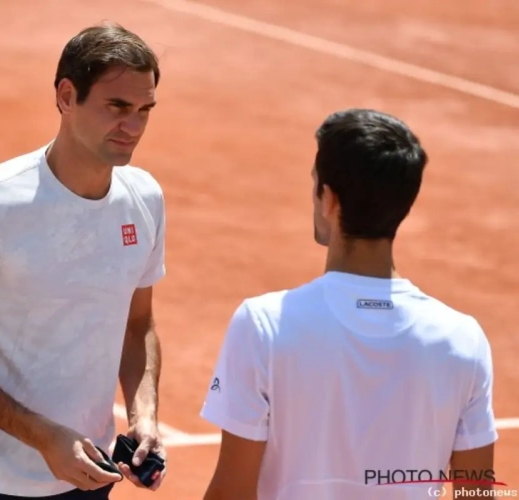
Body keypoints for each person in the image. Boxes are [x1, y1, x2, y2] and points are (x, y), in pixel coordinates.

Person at [0, 22, 168, 500]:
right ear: (67, 96)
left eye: (144, 110)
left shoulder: (145, 200)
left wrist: (142, 413)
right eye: (118, 107)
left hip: (87, 477)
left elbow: (138, 324)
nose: (133, 127)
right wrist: (42, 437)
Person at [199, 109, 498, 499]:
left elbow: (231, 493)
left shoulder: (263, 325)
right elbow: (476, 494)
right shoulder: (463, 339)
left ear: (328, 199)